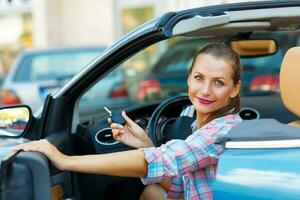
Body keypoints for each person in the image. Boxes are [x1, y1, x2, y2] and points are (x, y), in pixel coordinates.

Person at [13, 44, 242, 200]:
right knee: (152, 190)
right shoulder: (200, 127)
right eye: (199, 78)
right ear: (189, 78)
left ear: (235, 89)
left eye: (218, 83)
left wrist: (64, 161)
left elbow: (158, 161)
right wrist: (146, 145)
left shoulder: (223, 132)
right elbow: (179, 189)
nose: (205, 90)